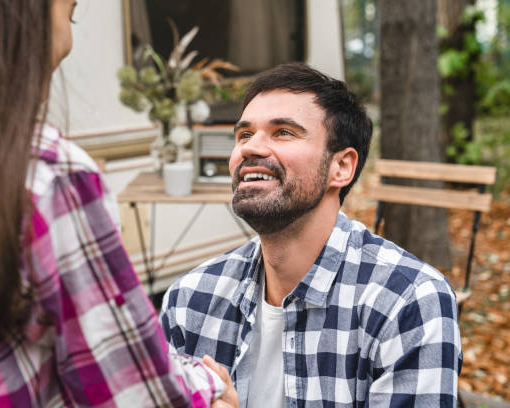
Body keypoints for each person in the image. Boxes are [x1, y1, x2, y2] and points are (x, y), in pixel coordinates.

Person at [0, 1, 237, 406]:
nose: (71, 37)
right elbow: (135, 392)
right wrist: (211, 385)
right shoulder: (50, 176)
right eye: (69, 12)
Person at [160, 63, 462, 407]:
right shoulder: (188, 299)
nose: (249, 148)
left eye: (283, 132)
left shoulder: (408, 303)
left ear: (341, 167)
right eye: (244, 135)